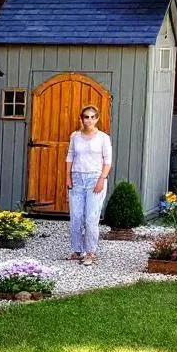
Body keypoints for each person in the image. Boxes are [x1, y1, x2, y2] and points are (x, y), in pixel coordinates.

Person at [65, 104, 113, 266]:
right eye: (86, 117)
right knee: (76, 216)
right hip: (77, 179)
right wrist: (68, 177)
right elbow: (70, 157)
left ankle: (90, 252)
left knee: (91, 218)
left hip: (95, 179)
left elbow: (107, 161)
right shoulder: (75, 137)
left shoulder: (103, 138)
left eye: (93, 117)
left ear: (97, 119)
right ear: (82, 118)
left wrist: (102, 179)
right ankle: (77, 250)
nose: (89, 120)